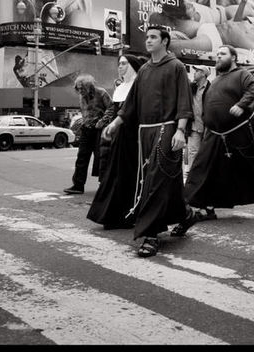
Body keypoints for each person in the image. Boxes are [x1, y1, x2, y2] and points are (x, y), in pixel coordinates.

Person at [102, 25, 195, 258]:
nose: (148, 40)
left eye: (154, 37)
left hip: (167, 129)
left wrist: (181, 131)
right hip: (144, 132)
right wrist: (115, 124)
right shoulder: (143, 70)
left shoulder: (176, 67)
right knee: (163, 180)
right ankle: (185, 215)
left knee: (154, 179)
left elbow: (185, 101)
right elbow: (131, 103)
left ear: (165, 41)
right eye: (147, 37)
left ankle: (151, 235)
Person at [174, 44, 254, 235]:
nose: (218, 57)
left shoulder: (242, 74)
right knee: (204, 169)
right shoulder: (216, 79)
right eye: (217, 54)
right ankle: (207, 207)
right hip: (214, 134)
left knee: (251, 167)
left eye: (222, 54)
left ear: (233, 58)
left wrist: (241, 105)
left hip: (240, 130)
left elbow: (252, 89)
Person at [88, 54, 145, 229]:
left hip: (133, 137)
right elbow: (114, 112)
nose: (120, 67)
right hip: (117, 136)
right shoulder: (120, 88)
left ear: (133, 65)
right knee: (114, 174)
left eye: (124, 63)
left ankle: (129, 214)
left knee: (131, 174)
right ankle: (112, 215)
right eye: (119, 64)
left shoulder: (139, 85)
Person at [63, 74, 113, 195]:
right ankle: (78, 185)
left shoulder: (101, 93)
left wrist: (102, 121)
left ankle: (103, 186)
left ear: (89, 86)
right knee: (81, 157)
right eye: (78, 88)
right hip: (86, 129)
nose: (80, 91)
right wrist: (83, 120)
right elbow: (86, 112)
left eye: (82, 88)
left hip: (99, 129)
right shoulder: (81, 96)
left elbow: (111, 108)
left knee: (100, 158)